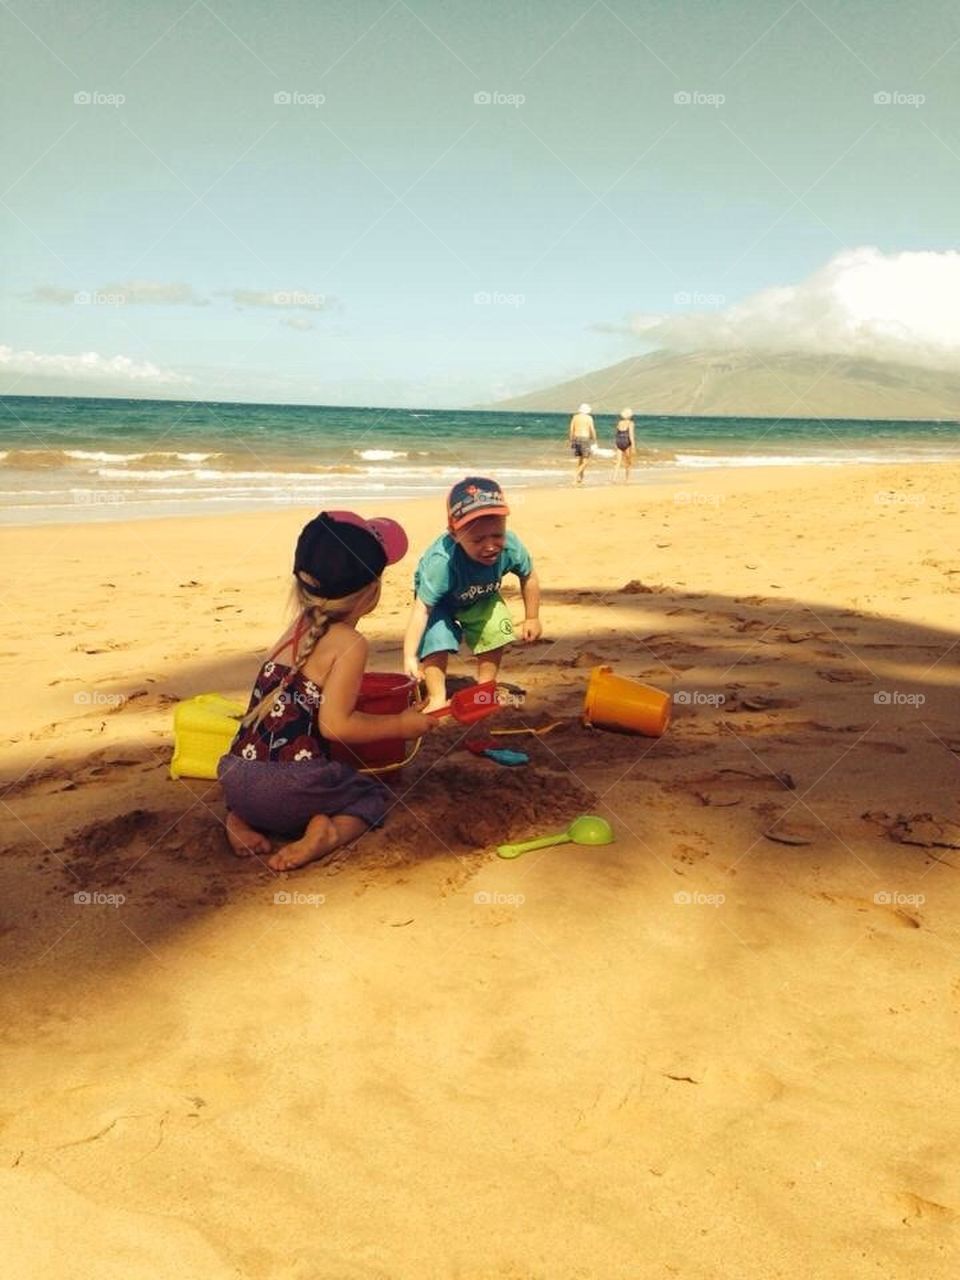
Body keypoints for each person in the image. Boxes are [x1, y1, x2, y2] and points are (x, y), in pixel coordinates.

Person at [219, 510, 436, 871]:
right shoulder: (350, 643)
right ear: (372, 592)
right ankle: (327, 835)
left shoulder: (295, 628)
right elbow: (337, 726)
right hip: (293, 787)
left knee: (264, 786)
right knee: (370, 796)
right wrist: (401, 725)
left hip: (236, 779)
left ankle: (239, 819)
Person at [403, 476, 541, 712]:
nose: (490, 546)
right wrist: (409, 656)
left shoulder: (511, 547)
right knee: (436, 638)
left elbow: (529, 576)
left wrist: (532, 617)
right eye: (478, 539)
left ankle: (484, 688)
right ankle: (437, 696)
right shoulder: (442, 563)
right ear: (454, 534)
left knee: (495, 629)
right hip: (440, 603)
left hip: (480, 595)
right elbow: (421, 610)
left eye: (497, 535)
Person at [568, 403, 596, 485]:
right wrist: (595, 440)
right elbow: (592, 429)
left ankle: (580, 479)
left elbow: (571, 430)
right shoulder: (589, 418)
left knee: (580, 460)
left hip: (576, 438)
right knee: (586, 461)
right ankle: (575, 476)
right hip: (585, 439)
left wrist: (571, 440)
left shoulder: (575, 417)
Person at [613, 408, 636, 483]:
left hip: (619, 441)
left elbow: (616, 434)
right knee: (628, 462)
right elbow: (631, 435)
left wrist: (615, 444)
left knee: (618, 462)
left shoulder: (619, 422)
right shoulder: (631, 423)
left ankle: (614, 478)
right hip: (626, 442)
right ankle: (627, 479)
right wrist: (633, 446)